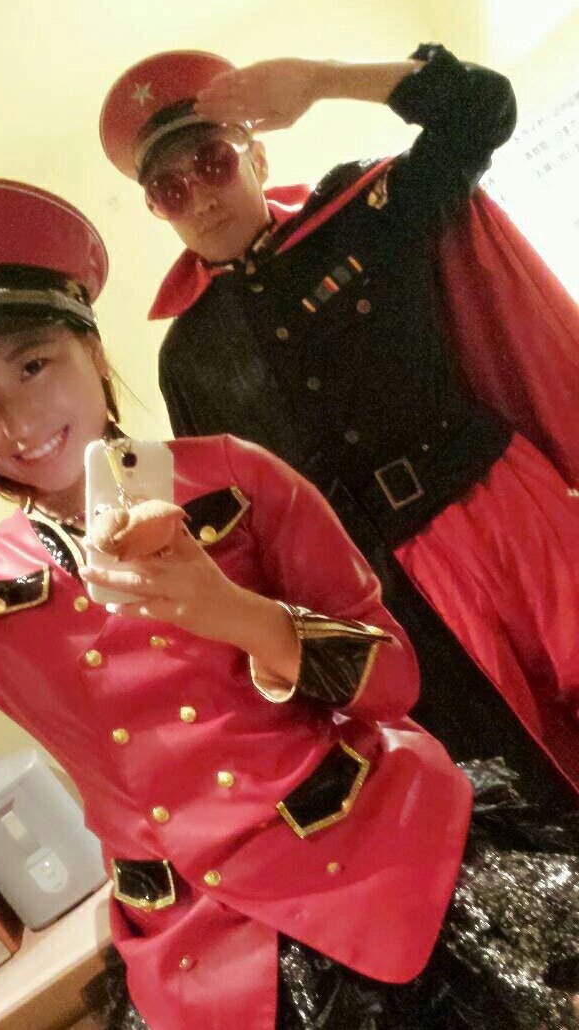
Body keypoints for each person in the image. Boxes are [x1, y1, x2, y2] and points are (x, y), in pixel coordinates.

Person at [0, 177, 577, 1030]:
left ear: (91, 351)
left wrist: (230, 611)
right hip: (201, 954)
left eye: (33, 363)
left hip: (386, 872)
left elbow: (392, 681)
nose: (15, 418)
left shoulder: (236, 475)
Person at [99, 45, 579, 809]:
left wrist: (323, 81)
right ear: (158, 210)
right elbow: (237, 528)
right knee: (521, 788)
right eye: (171, 189)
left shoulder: (363, 217)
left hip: (502, 510)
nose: (201, 199)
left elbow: (479, 111)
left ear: (256, 156)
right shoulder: (189, 355)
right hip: (390, 599)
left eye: (214, 163)